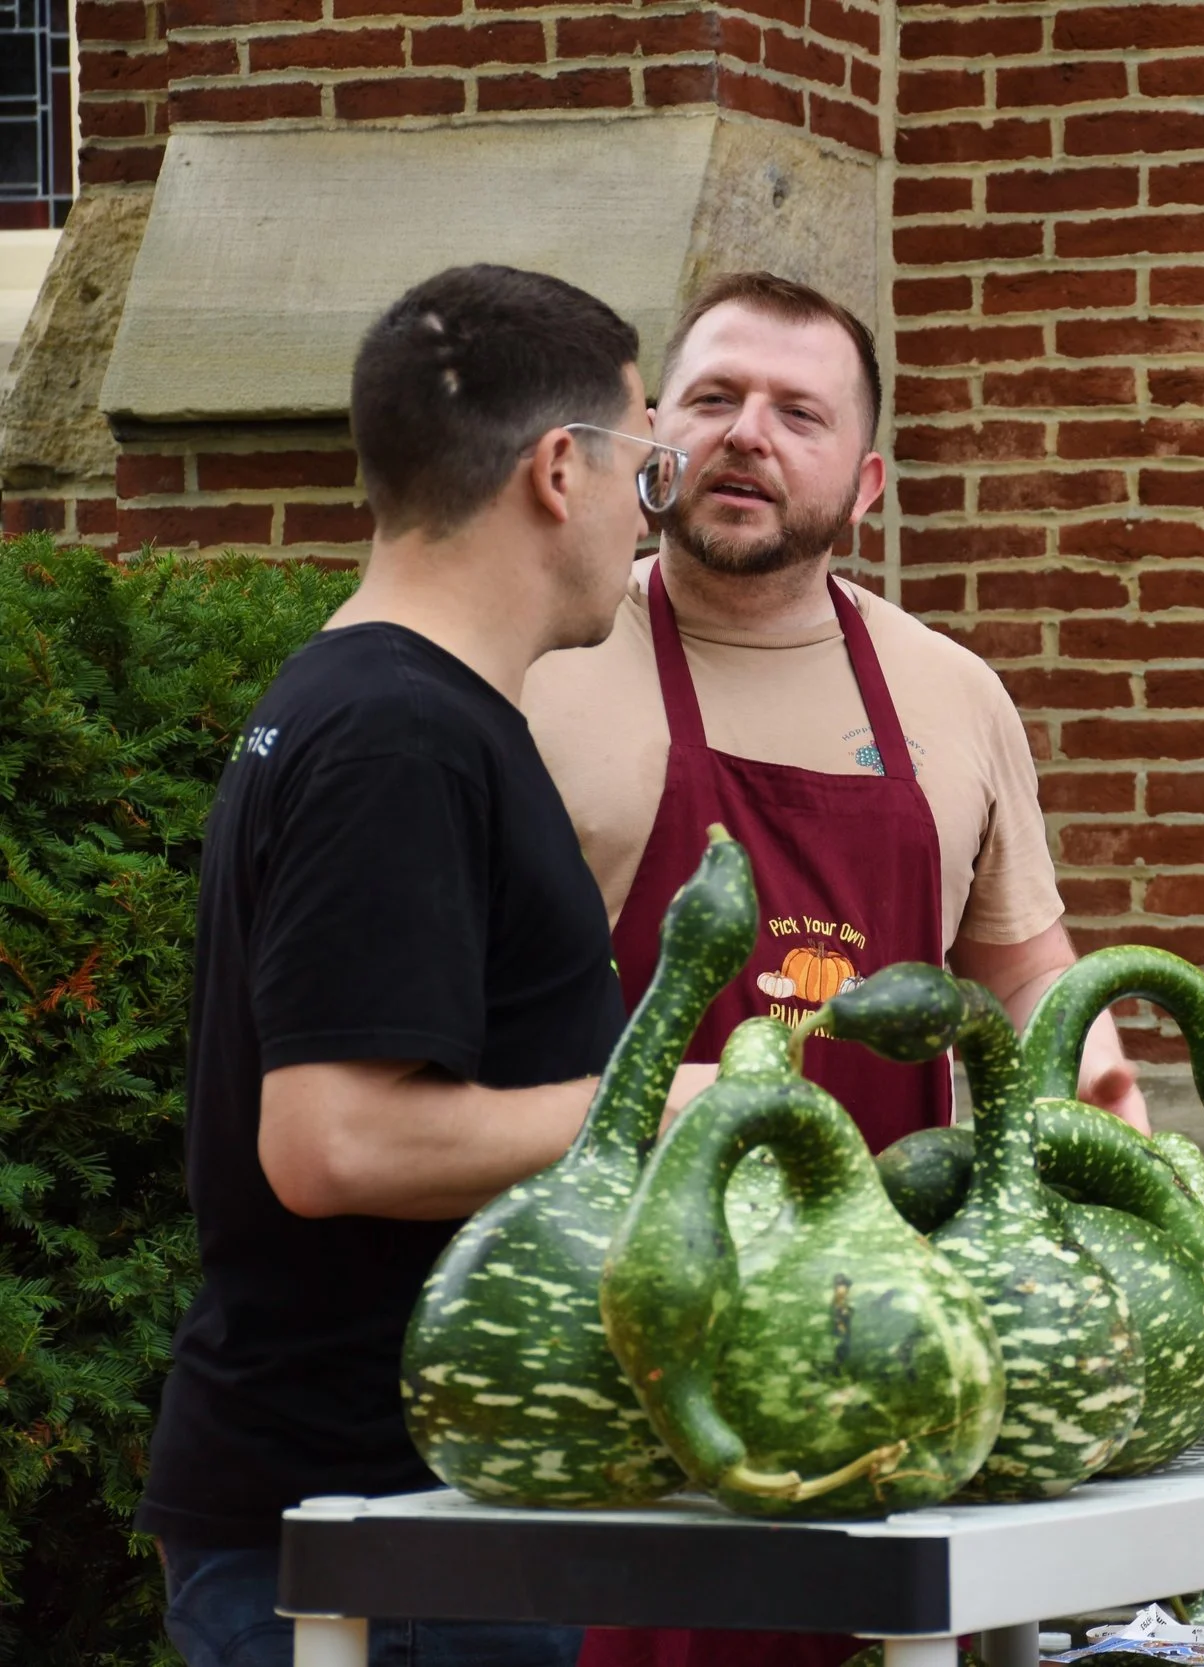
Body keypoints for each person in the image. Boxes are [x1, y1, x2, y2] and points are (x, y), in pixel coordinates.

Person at [141, 265, 711, 1666]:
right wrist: (654, 1104)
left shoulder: (382, 705)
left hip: (413, 1521)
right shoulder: (399, 735)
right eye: (649, 467)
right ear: (559, 470)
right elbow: (331, 1140)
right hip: (377, 1537)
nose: (653, 516)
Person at [522, 271, 1143, 1153]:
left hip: (891, 1231)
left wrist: (1104, 1100)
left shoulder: (955, 691)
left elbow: (1023, 974)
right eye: (714, 398)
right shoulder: (536, 664)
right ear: (653, 438)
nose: (746, 433)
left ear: (864, 486)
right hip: (612, 1231)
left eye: (800, 414)